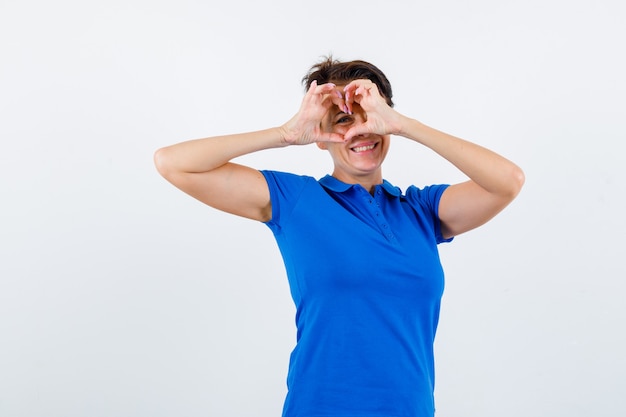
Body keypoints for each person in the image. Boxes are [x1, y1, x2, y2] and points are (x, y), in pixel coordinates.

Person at [154, 56, 524, 417]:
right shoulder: (294, 200)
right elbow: (173, 162)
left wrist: (404, 124)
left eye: (371, 119)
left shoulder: (422, 210)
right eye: (344, 120)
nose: (360, 131)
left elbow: (507, 181)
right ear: (320, 135)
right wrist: (284, 134)